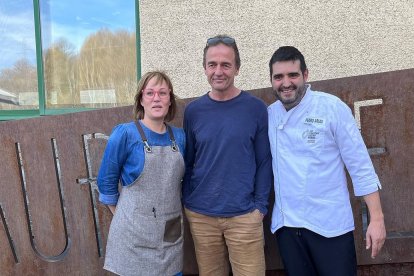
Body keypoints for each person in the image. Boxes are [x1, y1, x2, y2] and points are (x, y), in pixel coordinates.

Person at [267, 46, 386, 276]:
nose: (286, 83)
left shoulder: (332, 108)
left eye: (293, 75)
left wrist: (377, 218)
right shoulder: (270, 115)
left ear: (306, 75)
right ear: (272, 80)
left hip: (330, 227)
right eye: (278, 77)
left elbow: (359, 165)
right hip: (288, 228)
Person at [182, 35, 273, 276]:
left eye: (225, 64)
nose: (218, 71)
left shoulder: (255, 108)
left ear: (237, 68)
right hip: (201, 216)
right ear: (204, 68)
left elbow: (264, 161)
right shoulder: (193, 111)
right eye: (212, 64)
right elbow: (189, 161)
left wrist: (259, 208)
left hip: (245, 216)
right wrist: (189, 202)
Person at [97, 71, 185, 276]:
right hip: (132, 239)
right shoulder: (125, 134)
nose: (156, 98)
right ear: (141, 99)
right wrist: (124, 217)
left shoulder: (180, 138)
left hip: (170, 235)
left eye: (163, 93)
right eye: (150, 93)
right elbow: (106, 182)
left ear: (170, 100)